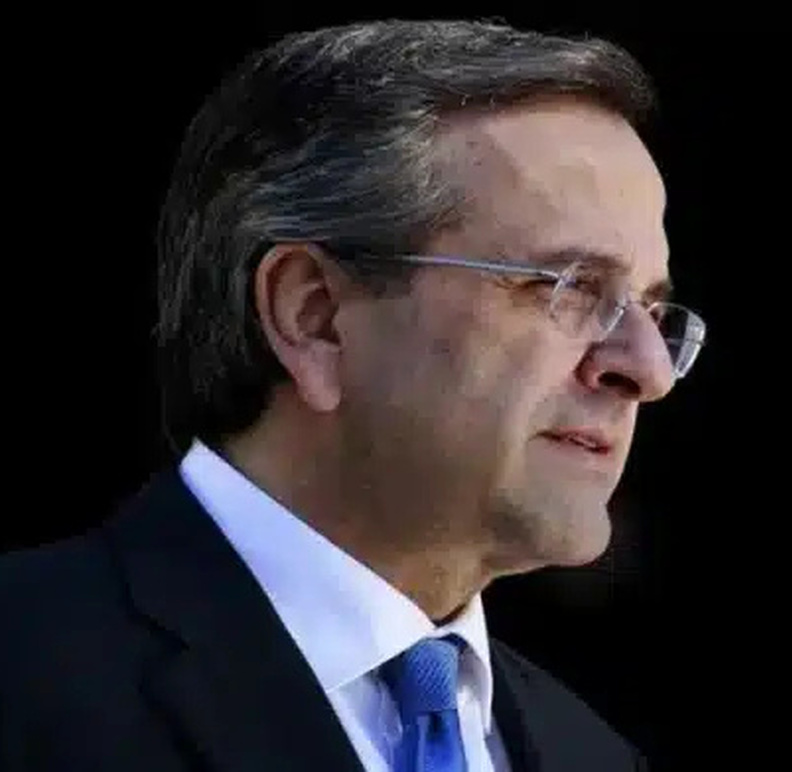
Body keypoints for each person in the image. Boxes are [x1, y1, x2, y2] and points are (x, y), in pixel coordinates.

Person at [0, 18, 705, 771]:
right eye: (569, 287)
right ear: (315, 317)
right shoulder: (24, 675)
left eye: (652, 309)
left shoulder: (594, 757)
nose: (648, 370)